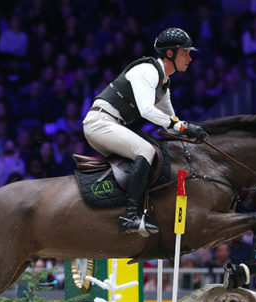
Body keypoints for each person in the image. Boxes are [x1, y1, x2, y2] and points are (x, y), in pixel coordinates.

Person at [83, 27, 207, 236]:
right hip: (100, 123)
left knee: (154, 151)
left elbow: (170, 118)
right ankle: (129, 216)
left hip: (111, 124)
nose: (190, 58)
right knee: (146, 150)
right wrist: (181, 126)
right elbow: (147, 111)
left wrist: (189, 132)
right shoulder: (147, 71)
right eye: (185, 53)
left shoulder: (164, 82)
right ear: (170, 53)